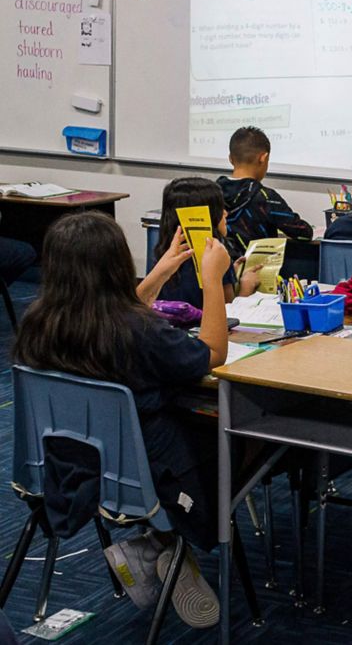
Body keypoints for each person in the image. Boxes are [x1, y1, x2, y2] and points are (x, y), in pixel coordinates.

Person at [13, 211, 230, 628]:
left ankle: (158, 544)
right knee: (241, 442)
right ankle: (167, 543)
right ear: (118, 264)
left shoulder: (36, 324)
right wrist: (214, 278)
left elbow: (116, 314)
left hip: (71, 473)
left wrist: (161, 272)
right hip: (150, 477)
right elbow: (213, 352)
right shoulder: (139, 331)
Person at [155, 176, 262, 307]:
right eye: (221, 208)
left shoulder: (165, 253)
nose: (226, 213)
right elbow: (227, 313)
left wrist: (230, 273)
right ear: (207, 216)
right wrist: (246, 288)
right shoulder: (215, 252)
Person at [217, 126, 313, 259]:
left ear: (230, 159)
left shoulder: (212, 194)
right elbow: (304, 233)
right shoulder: (267, 198)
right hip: (258, 274)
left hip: (221, 272)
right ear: (263, 158)